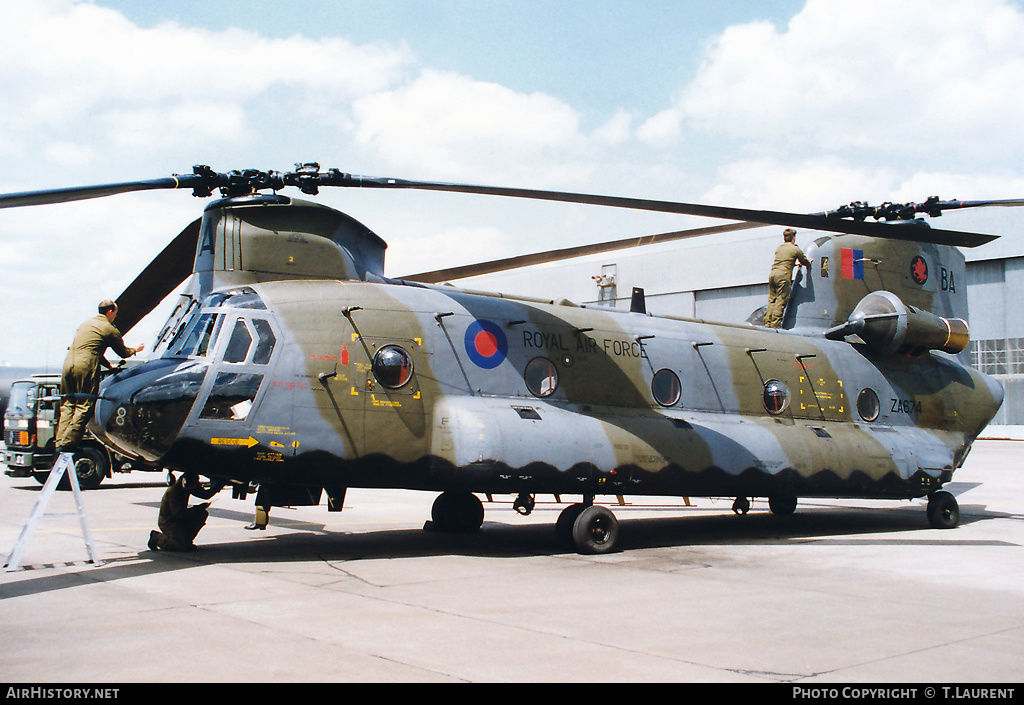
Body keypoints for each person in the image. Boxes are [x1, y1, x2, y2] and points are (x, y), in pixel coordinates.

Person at [55, 300, 145, 451]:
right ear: (110, 311)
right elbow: (123, 352)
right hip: (84, 367)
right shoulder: (109, 329)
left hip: (68, 364)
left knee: (68, 403)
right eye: (115, 312)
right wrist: (135, 349)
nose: (116, 316)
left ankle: (60, 441)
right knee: (84, 404)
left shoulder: (86, 324)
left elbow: (91, 348)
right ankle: (69, 443)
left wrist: (109, 365)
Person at [148, 473, 224, 551]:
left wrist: (217, 486)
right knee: (182, 546)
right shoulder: (174, 492)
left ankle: (186, 540)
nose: (197, 485)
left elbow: (205, 494)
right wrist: (196, 509)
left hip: (178, 519)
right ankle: (157, 538)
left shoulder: (186, 485)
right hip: (168, 522)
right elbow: (178, 515)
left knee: (202, 514)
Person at [764, 229, 811, 328]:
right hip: (783, 276)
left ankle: (767, 323)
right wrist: (808, 263)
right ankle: (775, 324)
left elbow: (784, 261)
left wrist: (794, 264)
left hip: (773, 275)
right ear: (793, 238)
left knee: (772, 300)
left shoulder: (780, 248)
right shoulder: (795, 249)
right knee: (781, 299)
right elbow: (805, 261)